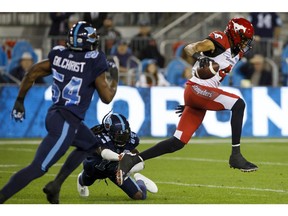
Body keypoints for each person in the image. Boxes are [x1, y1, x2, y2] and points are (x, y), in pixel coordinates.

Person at [116, 17, 258, 186]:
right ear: (234, 35)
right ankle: (236, 156)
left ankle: (132, 160)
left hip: (200, 96)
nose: (245, 44)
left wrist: (196, 102)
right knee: (238, 104)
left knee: (177, 142)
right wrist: (200, 57)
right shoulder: (219, 40)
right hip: (197, 89)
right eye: (243, 39)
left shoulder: (237, 51)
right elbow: (190, 47)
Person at [0, 21, 119, 204]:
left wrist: (20, 100)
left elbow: (32, 72)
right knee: (38, 168)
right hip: (66, 121)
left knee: (90, 145)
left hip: (56, 114)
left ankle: (56, 186)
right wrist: (115, 77)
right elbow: (107, 97)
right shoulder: (95, 59)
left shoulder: (59, 54)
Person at [77, 112, 158, 200]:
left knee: (139, 196)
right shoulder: (99, 137)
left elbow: (139, 160)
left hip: (115, 170)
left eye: (125, 135)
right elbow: (104, 153)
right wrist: (121, 157)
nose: (123, 139)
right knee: (86, 182)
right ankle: (80, 178)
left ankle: (140, 180)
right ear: (109, 133)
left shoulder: (131, 139)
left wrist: (127, 170)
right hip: (95, 167)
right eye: (119, 136)